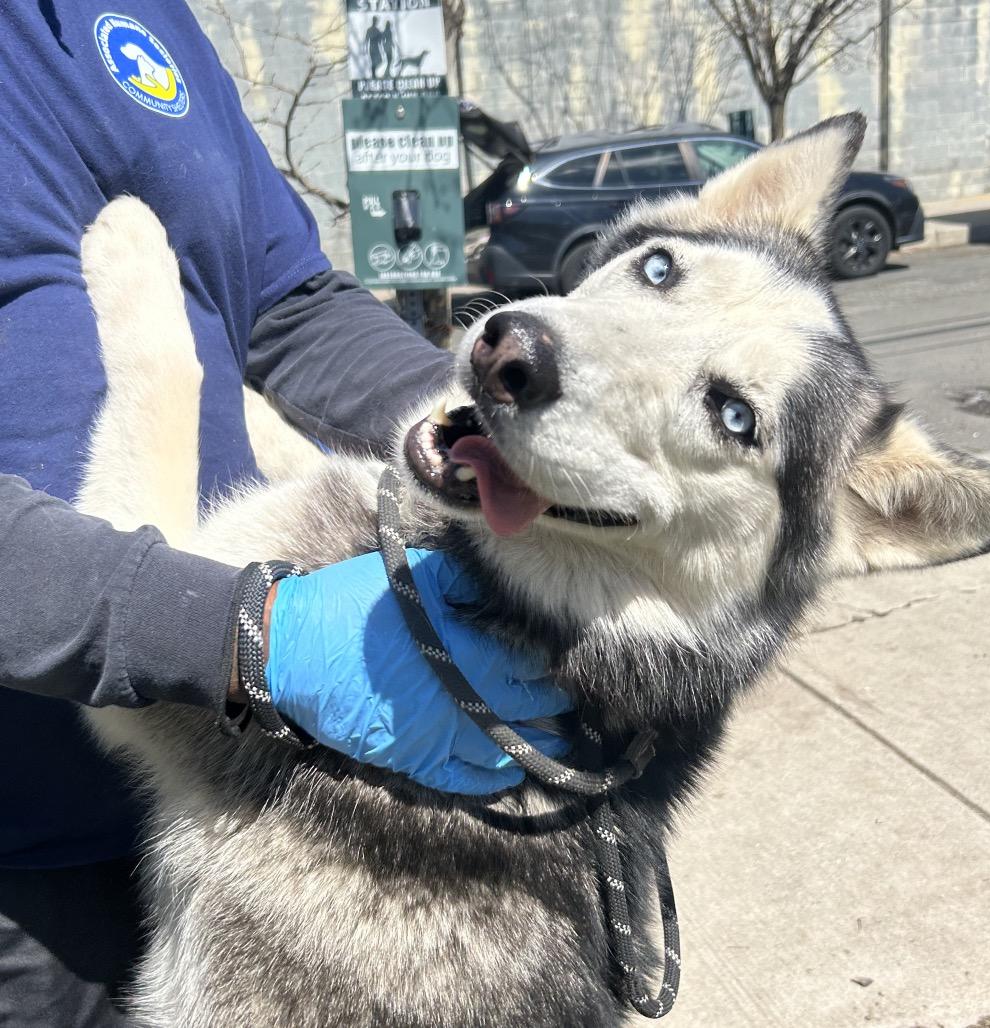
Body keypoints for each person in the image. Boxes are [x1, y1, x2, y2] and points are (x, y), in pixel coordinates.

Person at [0, 5, 568, 1025]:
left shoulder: (140, 17)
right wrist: (243, 637)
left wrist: (487, 435)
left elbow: (285, 304)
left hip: (267, 790)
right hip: (26, 865)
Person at [364, 15, 385, 79]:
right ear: (373, 21)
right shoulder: (370, 30)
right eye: (375, 21)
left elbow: (380, 41)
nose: (376, 22)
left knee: (379, 61)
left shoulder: (377, 30)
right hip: (373, 47)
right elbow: (367, 39)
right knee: (374, 61)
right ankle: (373, 75)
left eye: (376, 21)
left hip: (375, 47)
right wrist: (366, 49)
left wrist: (381, 36)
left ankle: (374, 74)